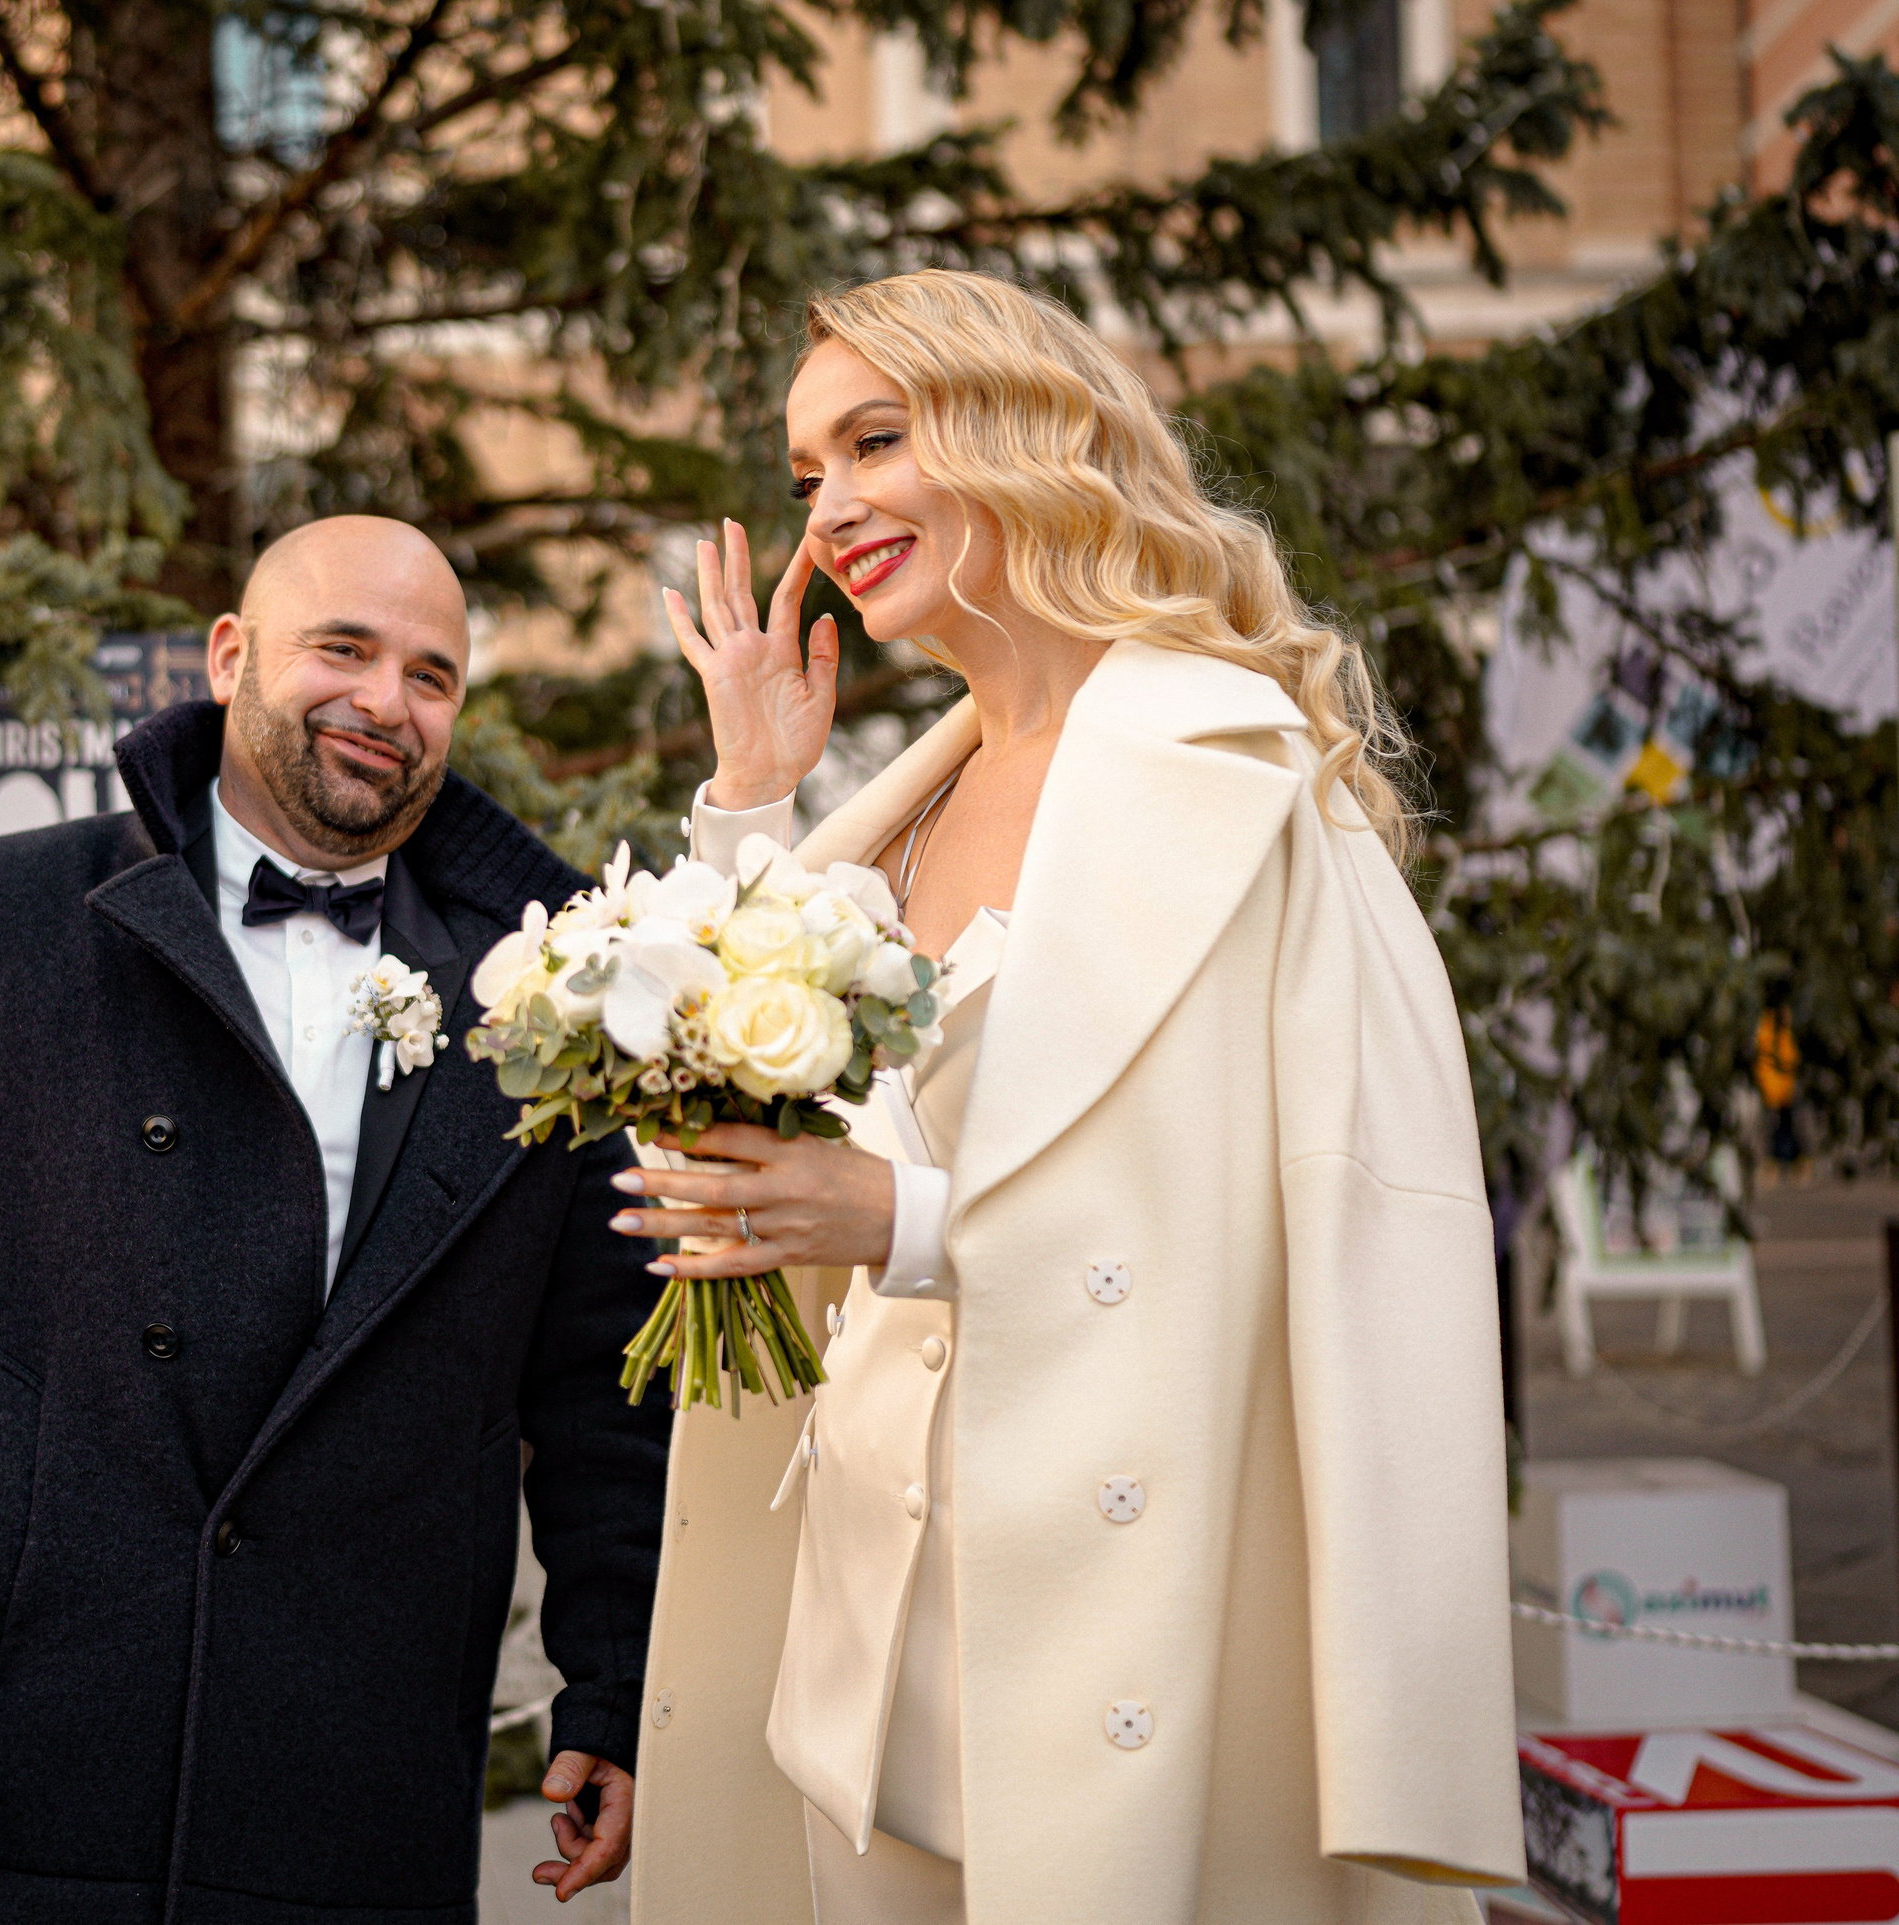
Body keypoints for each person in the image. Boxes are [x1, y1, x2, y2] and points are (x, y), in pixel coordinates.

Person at [615, 271, 1523, 1924]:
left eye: (874, 440)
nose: (828, 508)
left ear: (1022, 430)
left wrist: (907, 1221)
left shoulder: (1250, 788)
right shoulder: (897, 801)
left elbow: (1340, 1247)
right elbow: (755, 1107)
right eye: (809, 468)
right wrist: (753, 791)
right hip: (852, 1670)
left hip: (1114, 1647)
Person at [0, 515, 669, 1925]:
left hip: (358, 1784)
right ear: (231, 656)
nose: (387, 702)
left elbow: (607, 1385)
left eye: (433, 676)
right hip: (12, 1760)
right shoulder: (6, 915)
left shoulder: (541, 990)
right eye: (344, 649)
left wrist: (618, 1686)